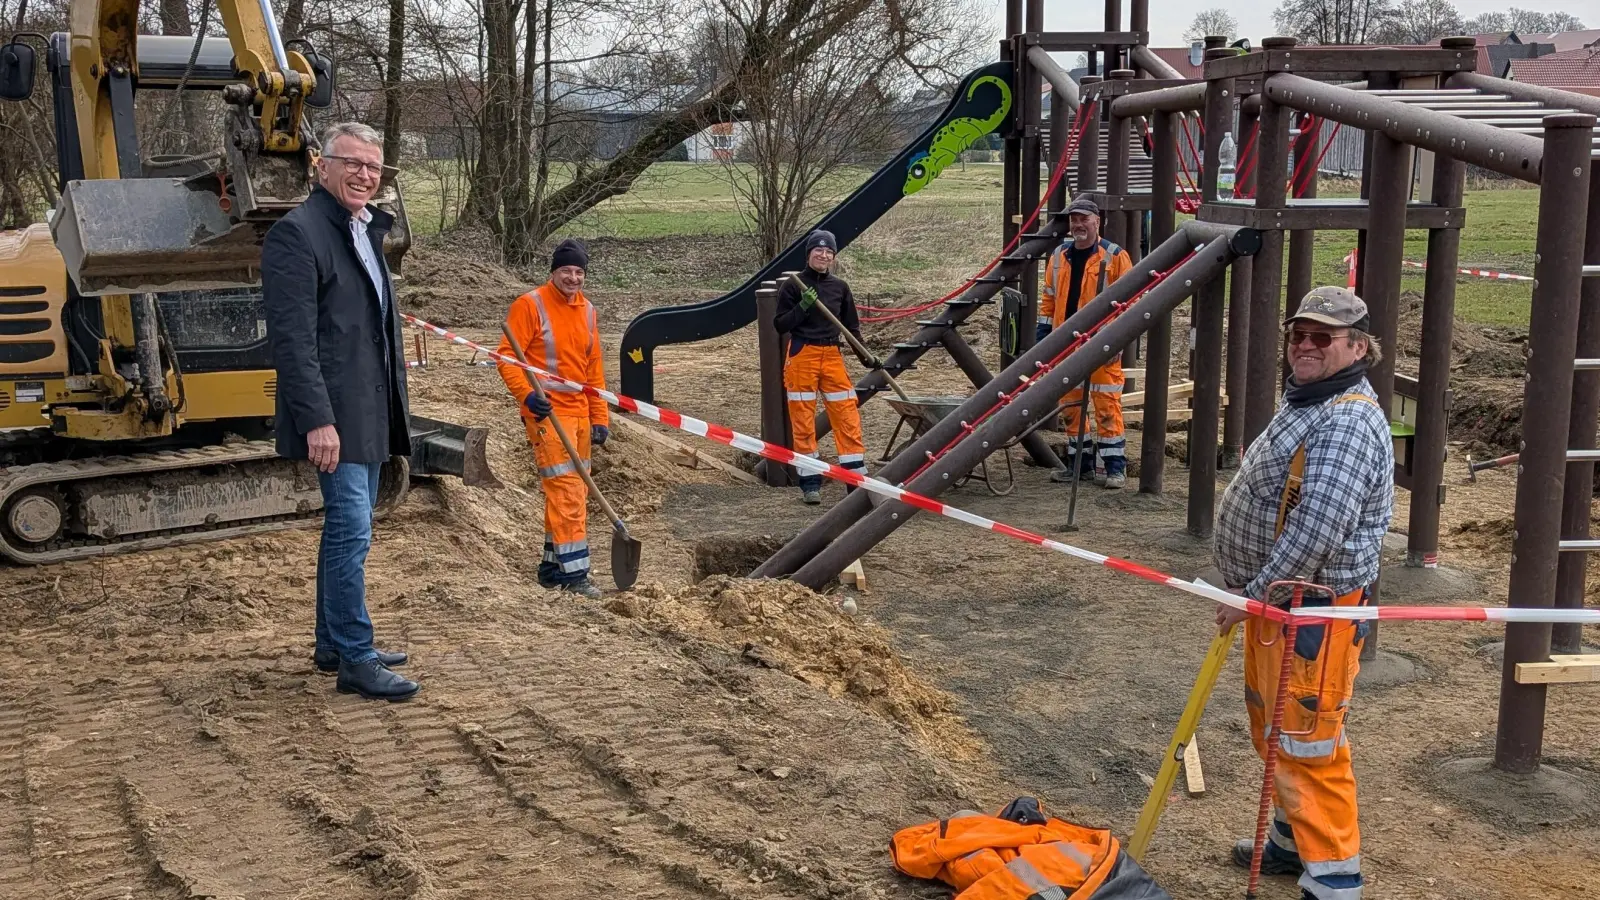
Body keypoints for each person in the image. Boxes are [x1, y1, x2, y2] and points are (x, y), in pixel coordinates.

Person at [1212, 286, 1394, 900]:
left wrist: (1253, 593)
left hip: (1310, 610)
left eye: (1323, 337)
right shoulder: (1310, 401)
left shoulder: (1346, 419)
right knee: (1277, 727)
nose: (1305, 346)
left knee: (1309, 744)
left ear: (1358, 347)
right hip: (1282, 604)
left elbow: (1318, 529)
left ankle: (1335, 884)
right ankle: (1292, 845)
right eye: (1299, 335)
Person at [264, 122, 418, 702]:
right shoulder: (296, 235)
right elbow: (293, 342)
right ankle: (355, 655)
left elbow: (373, 331)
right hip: (336, 414)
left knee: (351, 529)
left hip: (370, 407)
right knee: (352, 529)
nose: (363, 174)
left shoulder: (366, 231)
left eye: (373, 167)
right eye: (350, 162)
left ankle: (332, 642)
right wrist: (317, 420)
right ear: (319, 166)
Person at [496, 238, 610, 599]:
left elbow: (593, 369)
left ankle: (552, 566)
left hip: (578, 413)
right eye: (566, 271)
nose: (573, 278)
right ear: (554, 272)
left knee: (570, 489)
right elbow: (506, 357)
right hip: (547, 414)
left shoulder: (588, 311)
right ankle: (576, 574)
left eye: (579, 272)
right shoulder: (530, 305)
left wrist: (599, 416)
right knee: (568, 490)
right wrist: (529, 397)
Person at [774, 230, 876, 505]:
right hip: (802, 353)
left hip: (832, 354)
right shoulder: (794, 286)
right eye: (818, 251)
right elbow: (781, 325)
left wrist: (865, 356)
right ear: (809, 254)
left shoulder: (840, 288)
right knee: (803, 419)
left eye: (829, 251)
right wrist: (803, 307)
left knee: (846, 413)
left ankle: (855, 478)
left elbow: (852, 327)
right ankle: (810, 483)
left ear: (833, 256)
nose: (824, 255)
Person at [1038, 196, 1133, 488]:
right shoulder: (1058, 257)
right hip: (1066, 345)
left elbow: (1129, 305)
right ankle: (1080, 466)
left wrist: (1114, 342)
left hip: (1101, 345)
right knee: (1072, 407)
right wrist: (1044, 340)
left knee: (1106, 405)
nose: (1078, 225)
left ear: (1097, 221)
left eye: (1083, 219)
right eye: (1073, 220)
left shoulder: (1115, 257)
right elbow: (1048, 301)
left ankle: (1116, 468)